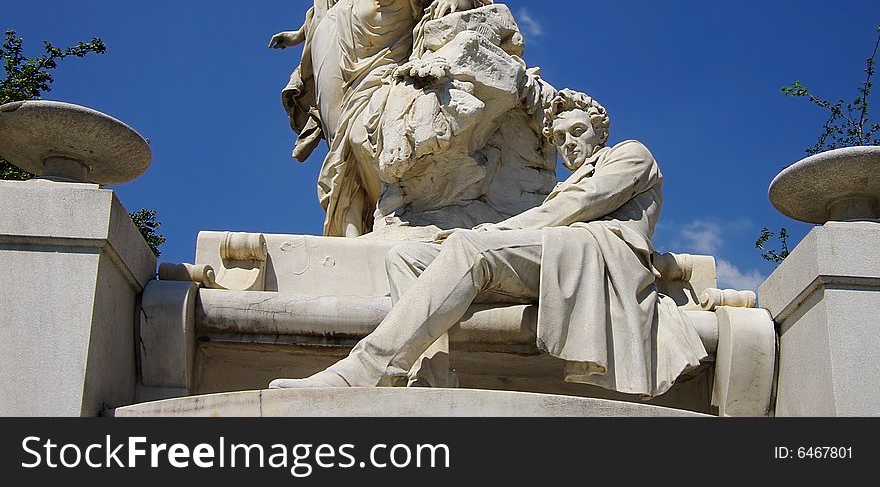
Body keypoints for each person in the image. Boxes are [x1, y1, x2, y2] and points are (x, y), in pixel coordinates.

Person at [270, 89, 708, 398]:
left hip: (596, 255)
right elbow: (549, 215)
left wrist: (491, 233)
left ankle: (367, 367)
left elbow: (579, 204)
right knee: (408, 255)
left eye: (576, 132)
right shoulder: (563, 185)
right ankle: (430, 380)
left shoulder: (630, 154)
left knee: (469, 249)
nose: (568, 145)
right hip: (554, 256)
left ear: (599, 129)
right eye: (558, 139)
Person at [272, 0, 491, 237]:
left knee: (365, 134)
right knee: (342, 135)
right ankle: (352, 226)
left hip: (395, 48)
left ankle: (382, 222)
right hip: (340, 35)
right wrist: (302, 33)